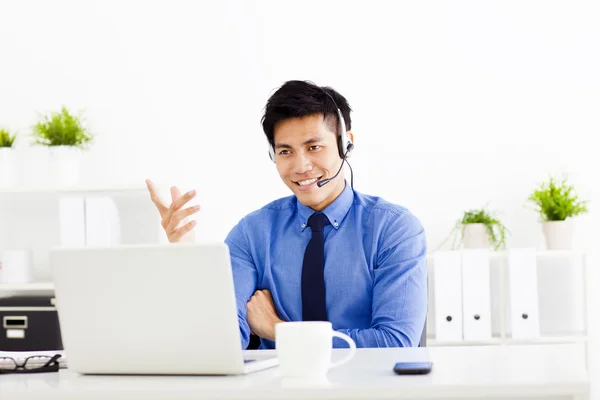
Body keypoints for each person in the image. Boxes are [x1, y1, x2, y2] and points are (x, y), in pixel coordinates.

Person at [146, 80, 427, 350]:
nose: (301, 166)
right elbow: (222, 341)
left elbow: (394, 342)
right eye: (285, 151)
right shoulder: (252, 234)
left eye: (314, 147)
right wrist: (186, 259)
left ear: (346, 144)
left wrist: (279, 330)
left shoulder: (394, 229)